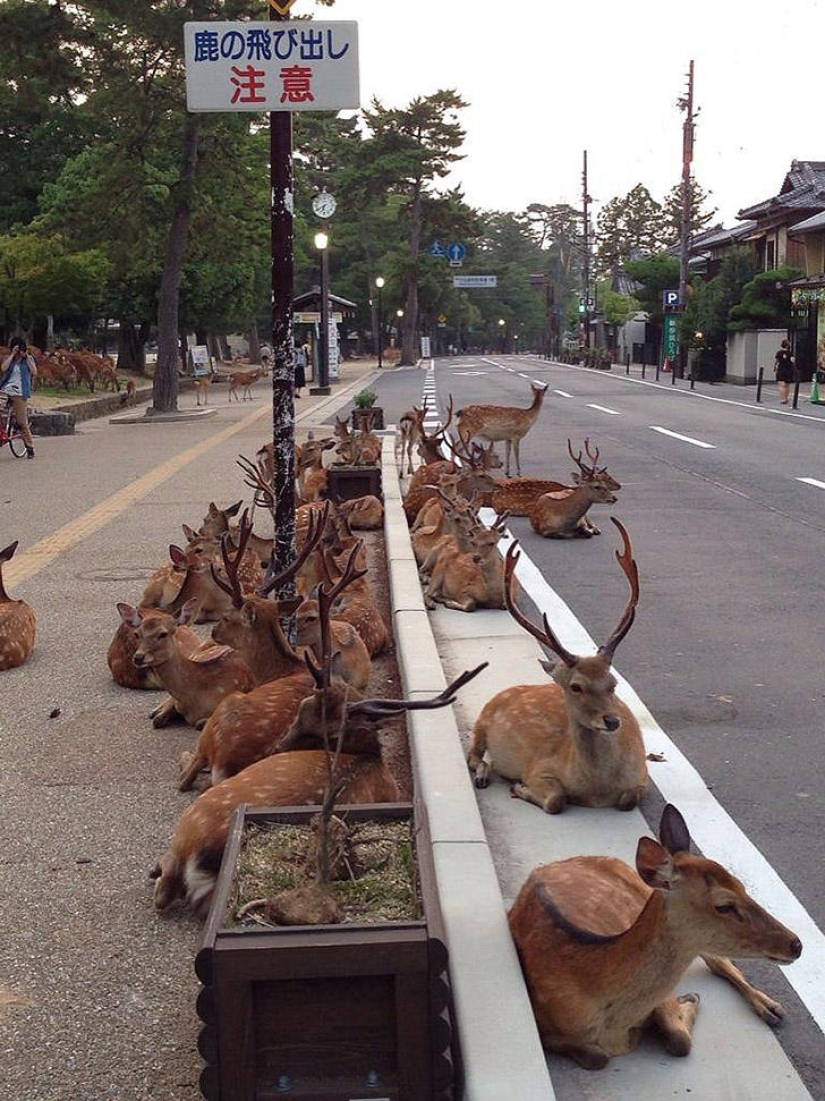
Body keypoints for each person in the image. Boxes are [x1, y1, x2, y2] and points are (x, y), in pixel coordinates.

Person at [0, 337, 38, 458]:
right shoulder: (9, 359)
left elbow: (34, 371)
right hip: (5, 389)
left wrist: (26, 357)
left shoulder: (28, 359)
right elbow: (3, 368)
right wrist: (12, 355)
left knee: (22, 422)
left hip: (20, 392)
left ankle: (30, 447)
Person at [774, 339, 795, 404]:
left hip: (781, 369)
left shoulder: (779, 353)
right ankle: (786, 398)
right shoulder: (790, 353)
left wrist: (775, 368)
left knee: (781, 385)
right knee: (787, 385)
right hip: (788, 370)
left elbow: (776, 361)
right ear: (788, 346)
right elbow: (793, 361)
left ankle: (783, 399)